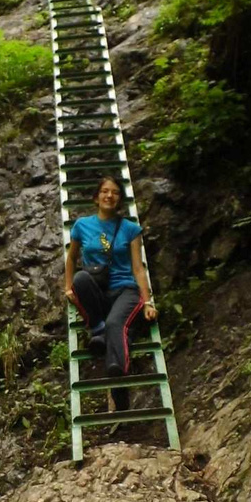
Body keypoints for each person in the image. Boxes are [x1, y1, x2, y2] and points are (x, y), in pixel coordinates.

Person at [64, 176, 157, 412]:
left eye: (115, 193)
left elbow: (138, 268)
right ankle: (98, 329)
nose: (109, 196)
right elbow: (72, 259)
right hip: (99, 290)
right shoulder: (82, 226)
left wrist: (147, 301)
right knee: (80, 278)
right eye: (105, 192)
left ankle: (118, 377)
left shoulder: (130, 229)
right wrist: (67, 288)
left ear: (119, 200)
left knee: (117, 323)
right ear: (96, 198)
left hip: (125, 289)